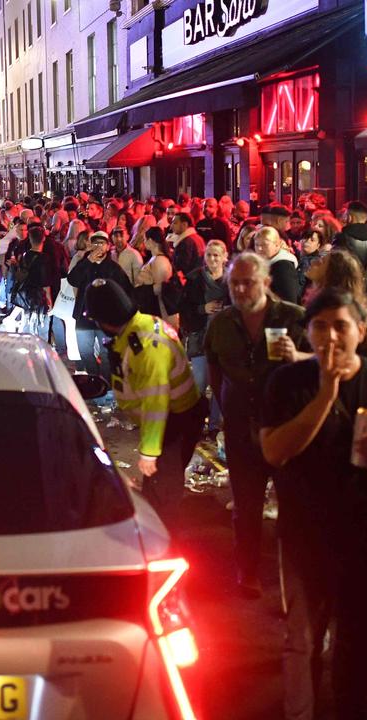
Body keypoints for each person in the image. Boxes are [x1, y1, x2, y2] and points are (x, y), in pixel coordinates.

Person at [260, 289, 367, 720]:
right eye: (319, 325)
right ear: (306, 330)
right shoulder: (287, 382)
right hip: (305, 536)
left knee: (356, 642)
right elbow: (274, 451)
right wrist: (325, 395)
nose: (329, 336)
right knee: (304, 640)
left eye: (340, 325)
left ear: (362, 330)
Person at [204, 252, 307, 597]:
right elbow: (215, 367)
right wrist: (226, 404)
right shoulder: (221, 323)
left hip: (284, 428)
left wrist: (299, 357)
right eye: (234, 283)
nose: (239, 289)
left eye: (247, 282)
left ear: (265, 282)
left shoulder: (294, 319)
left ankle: (293, 576)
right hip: (240, 429)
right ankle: (247, 570)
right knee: (246, 506)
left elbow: (318, 366)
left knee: (294, 508)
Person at [83, 279, 205, 526]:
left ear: (105, 320)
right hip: (172, 420)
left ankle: (165, 543)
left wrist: (149, 452)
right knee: (157, 486)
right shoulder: (139, 327)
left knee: (163, 492)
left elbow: (155, 404)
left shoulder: (146, 347)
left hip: (173, 424)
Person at [67, 231, 130, 392]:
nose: (98, 247)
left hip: (106, 318)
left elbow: (125, 289)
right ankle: (94, 382)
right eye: (95, 243)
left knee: (107, 354)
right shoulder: (84, 263)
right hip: (84, 316)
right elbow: (72, 279)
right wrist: (87, 262)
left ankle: (107, 387)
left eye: (102, 243)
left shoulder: (114, 268)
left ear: (108, 246)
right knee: (85, 352)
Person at [179, 239, 230, 436]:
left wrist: (225, 310)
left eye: (217, 255)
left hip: (223, 339)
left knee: (219, 385)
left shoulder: (231, 280)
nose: (212, 259)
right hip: (200, 337)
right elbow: (183, 307)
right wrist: (203, 308)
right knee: (199, 383)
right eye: (209, 255)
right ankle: (195, 421)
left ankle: (214, 425)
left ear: (225, 257)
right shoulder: (194, 279)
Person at [254, 226, 302, 305]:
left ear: (277, 245)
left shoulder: (283, 266)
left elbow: (289, 302)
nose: (259, 249)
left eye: (264, 245)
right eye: (256, 244)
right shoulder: (268, 263)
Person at [167, 212, 206, 279]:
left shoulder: (185, 242)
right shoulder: (197, 238)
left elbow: (181, 268)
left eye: (175, 223)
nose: (171, 226)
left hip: (188, 281)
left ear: (184, 224)